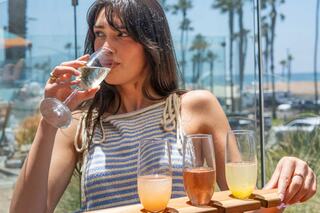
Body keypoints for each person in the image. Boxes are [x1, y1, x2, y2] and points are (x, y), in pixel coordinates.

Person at [10, 0, 317, 212]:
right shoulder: (80, 124)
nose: (106, 47)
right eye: (100, 34)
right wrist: (49, 119)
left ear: (150, 44)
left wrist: (285, 185)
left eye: (121, 34)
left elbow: (241, 206)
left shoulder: (196, 107)